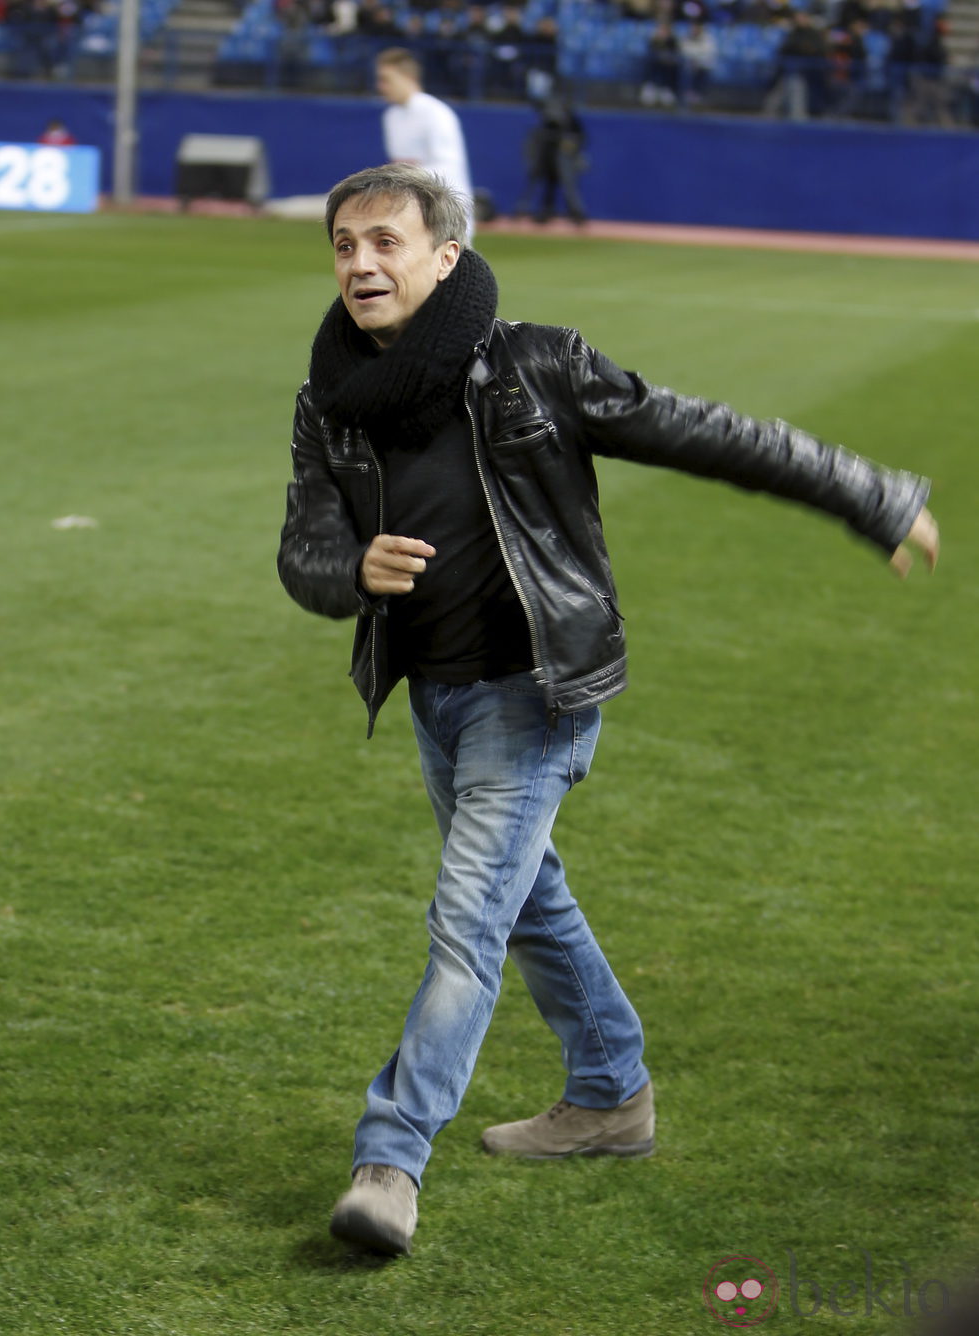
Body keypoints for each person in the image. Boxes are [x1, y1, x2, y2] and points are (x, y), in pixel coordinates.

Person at [277, 164, 939, 1258]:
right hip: (435, 699)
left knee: (466, 925)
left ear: (444, 257)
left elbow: (708, 432)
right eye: (344, 244)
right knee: (528, 901)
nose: (360, 263)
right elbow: (300, 551)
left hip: (534, 696)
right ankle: (609, 1096)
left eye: (386, 242)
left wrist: (868, 492)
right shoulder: (328, 401)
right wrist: (350, 567)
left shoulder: (536, 364)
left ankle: (388, 1161)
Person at [375, 47, 475, 242]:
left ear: (408, 77)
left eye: (386, 79)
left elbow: (448, 167)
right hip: (409, 212)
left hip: (444, 212)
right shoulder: (391, 116)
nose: (381, 86)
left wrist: (402, 176)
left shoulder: (436, 113)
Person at [514, 89, 588, 224]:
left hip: (563, 156)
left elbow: (579, 138)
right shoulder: (544, 127)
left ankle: (577, 213)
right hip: (548, 154)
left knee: (568, 184)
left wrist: (571, 146)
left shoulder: (571, 122)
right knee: (545, 182)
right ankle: (544, 211)